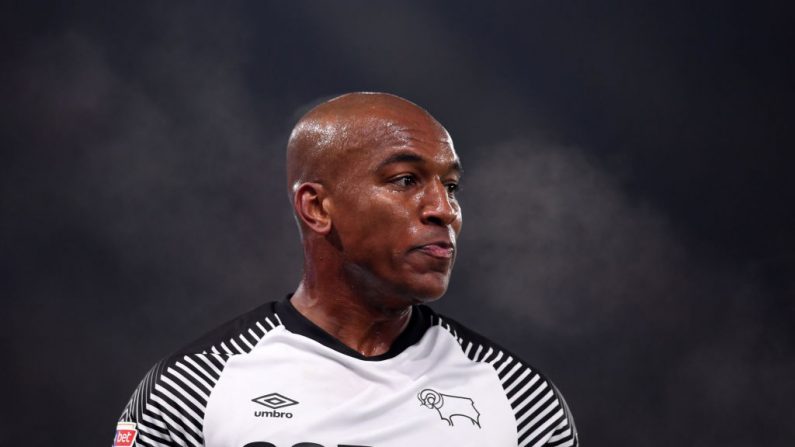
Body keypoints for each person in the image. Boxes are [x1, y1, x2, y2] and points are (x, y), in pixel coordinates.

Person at [113, 92, 578, 447]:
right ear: (316, 206)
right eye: (405, 180)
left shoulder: (520, 401)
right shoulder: (191, 390)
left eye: (451, 186)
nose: (444, 209)